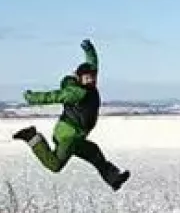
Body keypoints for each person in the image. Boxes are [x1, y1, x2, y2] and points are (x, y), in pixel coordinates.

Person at [14, 38, 130, 191]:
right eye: (88, 78)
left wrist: (89, 50)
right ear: (80, 78)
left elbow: (93, 64)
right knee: (55, 166)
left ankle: (114, 179)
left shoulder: (89, 87)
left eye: (93, 77)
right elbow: (52, 96)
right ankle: (32, 137)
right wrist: (32, 98)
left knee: (94, 152)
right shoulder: (76, 92)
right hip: (67, 137)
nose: (92, 80)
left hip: (77, 137)